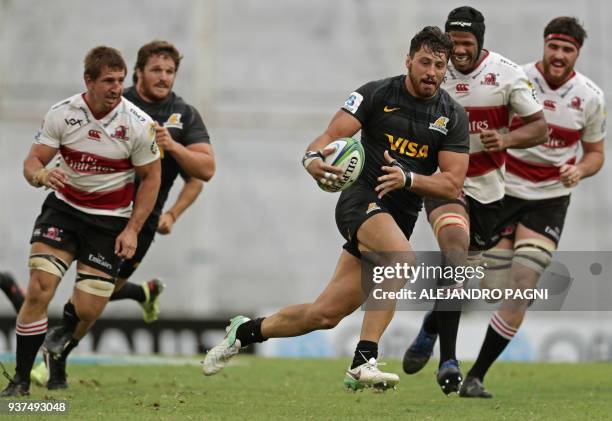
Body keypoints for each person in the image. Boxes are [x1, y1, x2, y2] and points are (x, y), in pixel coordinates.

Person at [202, 26, 470, 391]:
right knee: (403, 259)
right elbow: (330, 137)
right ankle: (363, 362)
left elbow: (452, 183)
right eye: (425, 62)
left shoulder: (451, 116)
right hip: (360, 201)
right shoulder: (376, 94)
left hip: (397, 219)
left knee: (324, 314)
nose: (432, 72)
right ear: (408, 60)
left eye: (440, 65)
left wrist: (408, 180)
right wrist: (312, 158)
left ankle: (244, 331)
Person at [35, 40, 214, 390]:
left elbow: (204, 173)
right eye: (156, 70)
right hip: (88, 210)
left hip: (137, 223)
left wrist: (174, 209)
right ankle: (57, 350)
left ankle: (62, 346)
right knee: (74, 288)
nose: (164, 77)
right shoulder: (118, 100)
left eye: (170, 71)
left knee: (94, 294)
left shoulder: (185, 115)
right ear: (138, 72)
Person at [401, 6, 548, 394]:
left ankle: (431, 328)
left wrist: (510, 139)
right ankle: (449, 361)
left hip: (490, 191)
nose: (460, 51)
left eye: (467, 43)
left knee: (462, 276)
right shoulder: (435, 73)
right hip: (445, 185)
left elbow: (539, 126)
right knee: (454, 253)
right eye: (455, 43)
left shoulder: (508, 74)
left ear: (480, 42)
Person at [0, 46, 161, 397]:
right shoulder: (62, 114)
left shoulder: (138, 124)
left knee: (88, 308)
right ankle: (21, 380)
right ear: (88, 81)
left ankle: (60, 336)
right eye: (108, 81)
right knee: (41, 286)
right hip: (64, 211)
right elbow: (32, 161)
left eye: (120, 81)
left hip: (109, 223)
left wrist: (132, 229)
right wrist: (41, 175)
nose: (116, 88)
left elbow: (151, 179)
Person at [458, 16, 605, 398]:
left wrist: (580, 170)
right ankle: (430, 331)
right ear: (544, 45)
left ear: (577, 53)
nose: (559, 55)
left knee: (522, 287)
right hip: (502, 190)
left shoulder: (590, 97)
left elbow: (596, 154)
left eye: (567, 49)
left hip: (549, 200)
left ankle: (475, 376)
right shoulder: (515, 79)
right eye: (554, 46)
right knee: (489, 288)